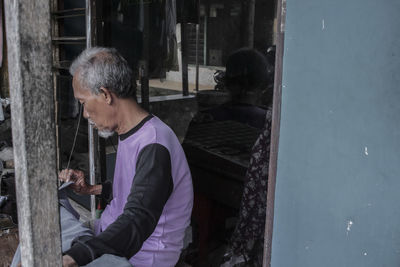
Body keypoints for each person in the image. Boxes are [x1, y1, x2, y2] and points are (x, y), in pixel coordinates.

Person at [59, 47, 193, 267]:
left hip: (141, 258)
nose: (84, 114)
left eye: (83, 103)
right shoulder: (132, 132)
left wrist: (76, 257)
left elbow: (137, 219)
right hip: (111, 236)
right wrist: (90, 189)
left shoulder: (155, 144)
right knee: (51, 218)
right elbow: (136, 189)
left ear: (105, 95)